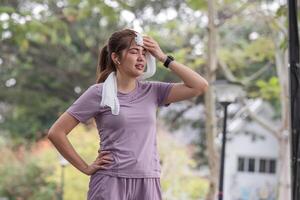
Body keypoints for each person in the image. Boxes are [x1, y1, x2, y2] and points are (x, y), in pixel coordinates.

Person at [47, 28, 208, 200]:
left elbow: (200, 86)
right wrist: (85, 168)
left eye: (144, 53)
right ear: (116, 58)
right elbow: (56, 132)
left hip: (148, 181)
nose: (141, 58)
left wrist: (163, 58)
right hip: (110, 181)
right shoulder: (99, 93)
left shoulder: (153, 91)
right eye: (134, 52)